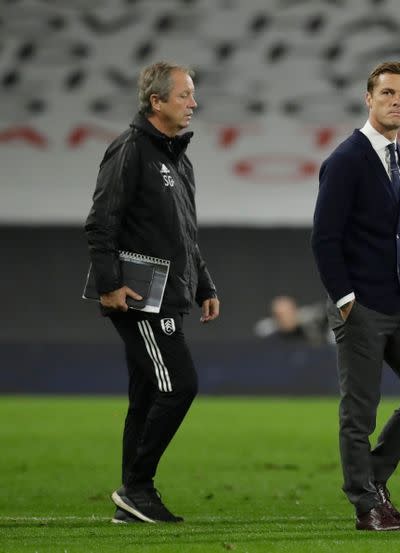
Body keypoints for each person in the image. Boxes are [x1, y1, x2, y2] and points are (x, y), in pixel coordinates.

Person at [311, 61, 400, 532]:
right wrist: (345, 298)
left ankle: (373, 477)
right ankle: (367, 505)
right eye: (387, 93)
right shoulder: (346, 160)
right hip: (362, 305)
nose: (396, 101)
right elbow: (325, 238)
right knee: (359, 411)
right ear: (368, 99)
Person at [85, 61, 220, 524]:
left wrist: (203, 283)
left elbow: (184, 232)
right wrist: (108, 285)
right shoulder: (130, 150)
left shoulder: (177, 158)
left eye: (192, 94)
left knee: (146, 396)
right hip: (137, 294)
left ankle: (133, 500)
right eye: (184, 95)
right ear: (156, 101)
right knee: (180, 384)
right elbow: (102, 222)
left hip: (167, 292)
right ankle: (137, 486)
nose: (193, 104)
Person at [253, 295, 328, 346]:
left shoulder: (308, 326)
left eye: (288, 313)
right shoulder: (269, 333)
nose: (285, 318)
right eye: (279, 315)